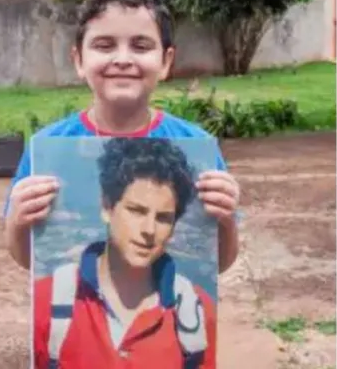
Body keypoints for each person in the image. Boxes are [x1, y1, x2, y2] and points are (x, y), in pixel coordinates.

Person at [3, 0, 239, 275]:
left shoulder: (195, 146)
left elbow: (219, 263)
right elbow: (28, 260)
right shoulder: (47, 149)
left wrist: (227, 219)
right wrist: (17, 220)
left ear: (165, 62)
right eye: (104, 45)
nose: (123, 59)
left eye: (141, 46)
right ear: (79, 60)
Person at [34, 137, 216, 369]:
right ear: (107, 208)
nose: (149, 230)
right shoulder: (47, 301)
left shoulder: (196, 313)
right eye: (136, 211)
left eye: (163, 218)